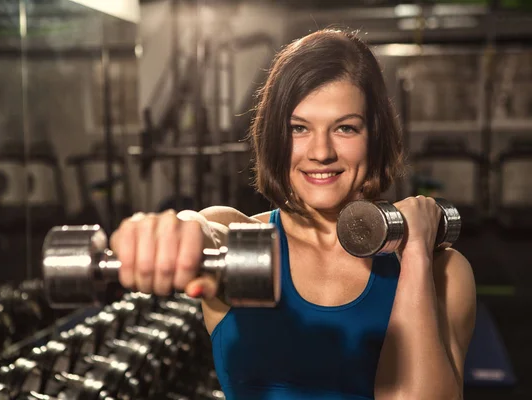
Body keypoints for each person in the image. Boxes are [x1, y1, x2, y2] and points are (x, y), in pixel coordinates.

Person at [110, 28, 477, 400]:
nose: (321, 152)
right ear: (274, 137)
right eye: (298, 128)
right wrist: (173, 231)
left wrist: (414, 255)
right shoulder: (238, 240)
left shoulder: (445, 272)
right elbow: (204, 229)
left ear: (376, 137)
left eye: (345, 128)